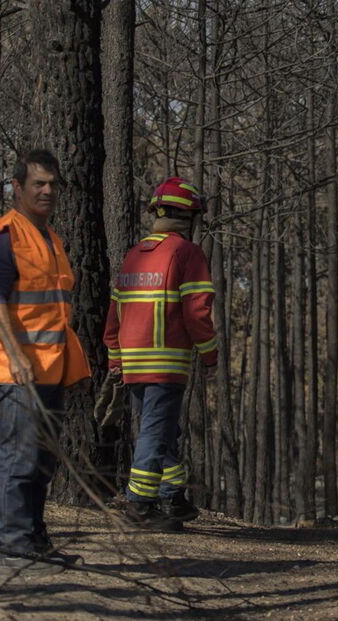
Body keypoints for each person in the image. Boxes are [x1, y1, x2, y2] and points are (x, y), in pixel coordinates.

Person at [0, 149, 91, 574]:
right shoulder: (5, 237)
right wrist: (15, 357)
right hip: (16, 371)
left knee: (42, 460)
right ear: (16, 187)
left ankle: (34, 541)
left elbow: (54, 313)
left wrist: (70, 368)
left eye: (52, 184)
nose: (46, 191)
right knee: (18, 458)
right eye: (37, 184)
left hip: (50, 369)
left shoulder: (50, 238)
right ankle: (12, 550)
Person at [103, 177, 218, 530]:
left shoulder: (134, 255)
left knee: (163, 431)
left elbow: (115, 312)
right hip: (166, 363)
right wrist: (210, 353)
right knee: (155, 434)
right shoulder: (187, 253)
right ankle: (140, 505)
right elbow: (197, 310)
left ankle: (172, 497)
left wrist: (116, 357)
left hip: (135, 363)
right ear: (189, 218)